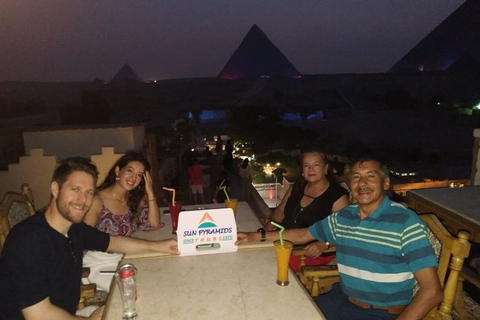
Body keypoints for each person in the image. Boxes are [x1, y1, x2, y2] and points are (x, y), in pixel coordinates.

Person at [237, 156, 443, 320]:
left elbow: (432, 292)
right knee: (280, 312)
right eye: (355, 177)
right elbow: (302, 234)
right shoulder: (345, 216)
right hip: (341, 301)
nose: (362, 183)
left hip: (380, 313)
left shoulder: (405, 222)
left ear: (386, 183)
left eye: (370, 176)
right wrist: (255, 236)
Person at [0, 157, 179, 320]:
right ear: (55, 188)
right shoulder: (27, 240)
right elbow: (39, 314)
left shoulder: (74, 229)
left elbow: (114, 241)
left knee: (143, 304)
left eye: (89, 192)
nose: (82, 200)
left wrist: (160, 246)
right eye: (75, 189)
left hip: (69, 314)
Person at [265, 148, 350, 272]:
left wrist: (325, 244)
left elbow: (345, 230)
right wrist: (271, 225)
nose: (311, 169)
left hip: (309, 252)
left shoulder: (337, 196)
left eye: (316, 165)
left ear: (326, 168)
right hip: (285, 242)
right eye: (306, 166)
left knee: (267, 264)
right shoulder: (297, 188)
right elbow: (280, 211)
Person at [84, 151, 161, 236]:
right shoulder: (97, 201)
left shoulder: (133, 199)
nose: (133, 178)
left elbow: (154, 223)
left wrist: (150, 192)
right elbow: (85, 238)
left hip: (129, 248)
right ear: (118, 171)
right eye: (130, 171)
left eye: (139, 175)